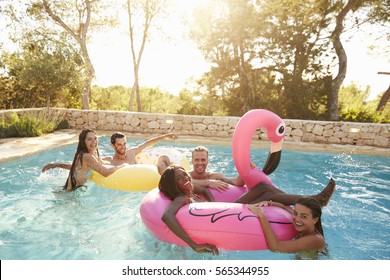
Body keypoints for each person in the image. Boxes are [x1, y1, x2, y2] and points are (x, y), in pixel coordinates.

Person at [189, 146, 336, 207]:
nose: (200, 163)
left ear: (208, 160)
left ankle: (311, 201)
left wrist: (245, 166)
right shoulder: (186, 176)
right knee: (265, 189)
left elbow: (237, 183)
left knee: (265, 188)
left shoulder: (217, 175)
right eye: (197, 160)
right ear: (192, 161)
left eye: (203, 159)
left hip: (237, 203)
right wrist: (208, 183)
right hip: (226, 209)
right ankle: (314, 201)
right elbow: (177, 182)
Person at [159, 165, 219, 255]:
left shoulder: (191, 191)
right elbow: (166, 216)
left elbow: (205, 190)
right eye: (179, 178)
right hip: (197, 240)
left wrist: (213, 206)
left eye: (185, 174)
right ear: (173, 185)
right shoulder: (182, 197)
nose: (185, 178)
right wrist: (194, 245)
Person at [42, 129, 128, 192]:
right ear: (84, 142)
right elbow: (105, 172)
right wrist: (122, 165)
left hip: (68, 192)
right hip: (69, 196)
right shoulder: (87, 157)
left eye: (95, 138)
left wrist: (57, 165)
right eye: (89, 139)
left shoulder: (84, 154)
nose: (94, 141)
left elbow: (75, 168)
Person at [247, 197, 326, 254]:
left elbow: (276, 247)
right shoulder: (302, 225)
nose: (297, 219)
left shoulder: (315, 239)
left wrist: (262, 216)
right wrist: (269, 203)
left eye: (304, 216)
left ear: (315, 220)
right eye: (295, 213)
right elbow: (284, 207)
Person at [102, 132, 178, 174]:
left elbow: (147, 144)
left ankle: (174, 180)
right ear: (112, 145)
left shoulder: (131, 152)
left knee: (163, 158)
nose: (123, 147)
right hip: (135, 182)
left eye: (124, 144)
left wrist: (165, 136)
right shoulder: (111, 161)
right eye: (119, 145)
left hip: (147, 175)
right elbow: (96, 162)